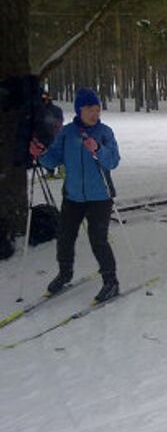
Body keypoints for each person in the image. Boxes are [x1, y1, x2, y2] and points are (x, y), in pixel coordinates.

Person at [28, 88, 121, 303]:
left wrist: (98, 149)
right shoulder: (67, 132)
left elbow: (113, 161)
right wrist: (40, 154)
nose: (94, 114)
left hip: (100, 196)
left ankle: (111, 282)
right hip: (73, 196)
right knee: (65, 236)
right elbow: (53, 159)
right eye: (90, 109)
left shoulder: (105, 132)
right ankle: (65, 274)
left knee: (98, 240)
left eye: (97, 109)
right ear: (80, 110)